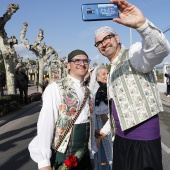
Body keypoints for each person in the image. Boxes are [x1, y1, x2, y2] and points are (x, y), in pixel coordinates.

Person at [94, 0, 170, 170]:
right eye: (98, 42)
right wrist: (105, 130)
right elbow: (118, 109)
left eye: (106, 38)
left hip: (143, 140)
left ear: (117, 38)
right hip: (121, 139)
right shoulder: (111, 70)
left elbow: (160, 50)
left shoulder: (134, 53)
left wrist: (142, 25)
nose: (103, 43)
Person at [28, 49, 97, 170]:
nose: (82, 63)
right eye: (77, 60)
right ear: (68, 65)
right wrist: (44, 162)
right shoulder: (55, 87)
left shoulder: (89, 91)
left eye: (85, 61)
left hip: (84, 153)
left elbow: (92, 124)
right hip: (63, 152)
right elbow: (46, 123)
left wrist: (91, 155)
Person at [89, 65, 113, 170]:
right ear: (97, 77)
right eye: (103, 74)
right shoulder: (101, 90)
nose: (106, 76)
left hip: (103, 125)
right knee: (105, 153)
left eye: (107, 73)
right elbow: (102, 113)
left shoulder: (103, 87)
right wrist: (111, 127)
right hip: (102, 126)